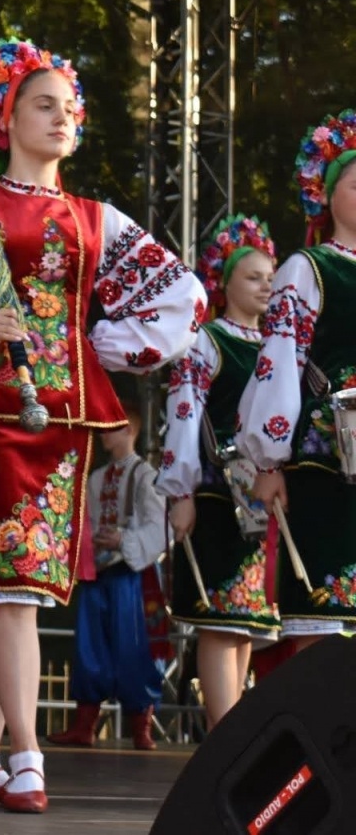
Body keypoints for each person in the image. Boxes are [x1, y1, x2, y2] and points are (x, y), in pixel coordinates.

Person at [0, 31, 202, 813]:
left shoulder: (95, 218)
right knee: (11, 591)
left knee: (25, 592)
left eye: (69, 107)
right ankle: (27, 757)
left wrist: (100, 347)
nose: (62, 117)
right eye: (43, 104)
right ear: (3, 118)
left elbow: (183, 296)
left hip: (63, 417)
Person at [238, 110, 356, 655]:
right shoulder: (308, 269)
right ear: (327, 196)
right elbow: (279, 363)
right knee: (324, 613)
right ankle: (324, 736)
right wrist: (267, 462)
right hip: (327, 462)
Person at [156, 214, 279, 728]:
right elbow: (183, 416)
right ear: (223, 283)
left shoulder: (278, 347)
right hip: (214, 494)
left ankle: (232, 730)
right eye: (254, 277)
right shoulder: (205, 343)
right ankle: (225, 733)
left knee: (246, 622)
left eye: (271, 278)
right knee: (220, 620)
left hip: (259, 499)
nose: (266, 287)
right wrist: (180, 490)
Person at [46, 396, 166, 749]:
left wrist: (124, 540)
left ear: (128, 429)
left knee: (134, 646)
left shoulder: (146, 475)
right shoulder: (95, 478)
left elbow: (158, 526)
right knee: (90, 645)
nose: (101, 432)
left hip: (131, 574)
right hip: (98, 572)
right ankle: (84, 723)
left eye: (109, 425)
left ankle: (140, 726)